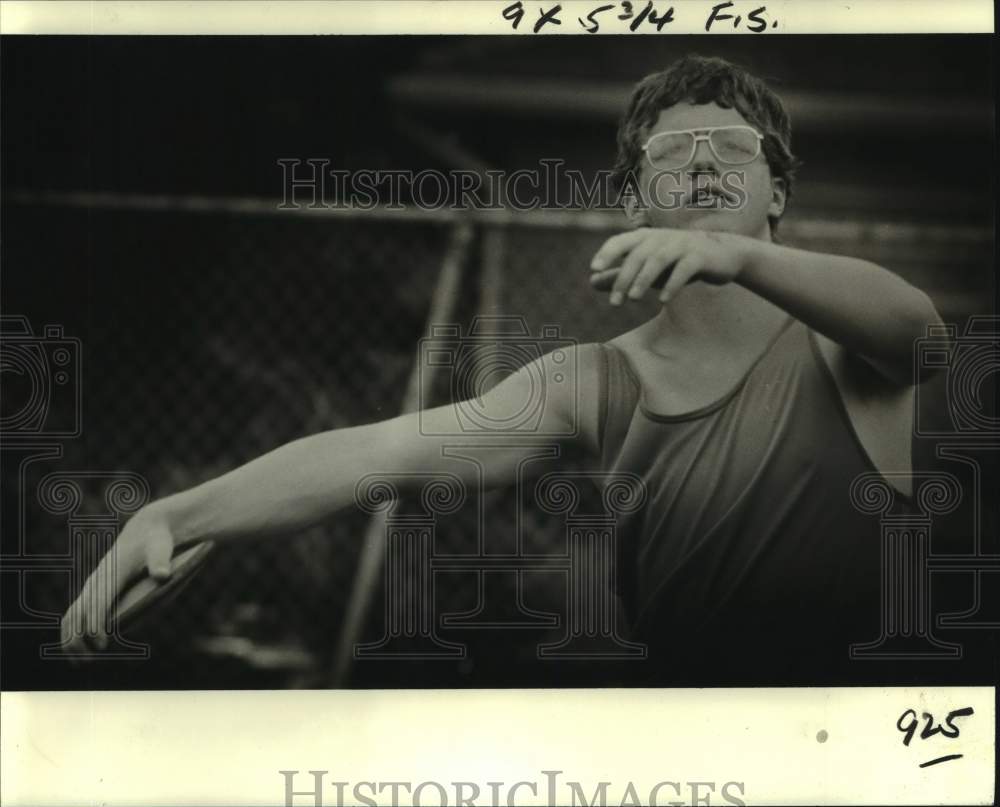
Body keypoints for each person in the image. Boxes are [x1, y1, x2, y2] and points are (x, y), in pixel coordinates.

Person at [62, 55, 943, 684]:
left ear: (778, 192)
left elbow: (920, 334)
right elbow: (380, 453)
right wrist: (177, 510)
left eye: (731, 146)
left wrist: (730, 254)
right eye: (671, 153)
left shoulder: (848, 339)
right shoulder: (593, 380)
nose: (704, 163)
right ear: (634, 200)